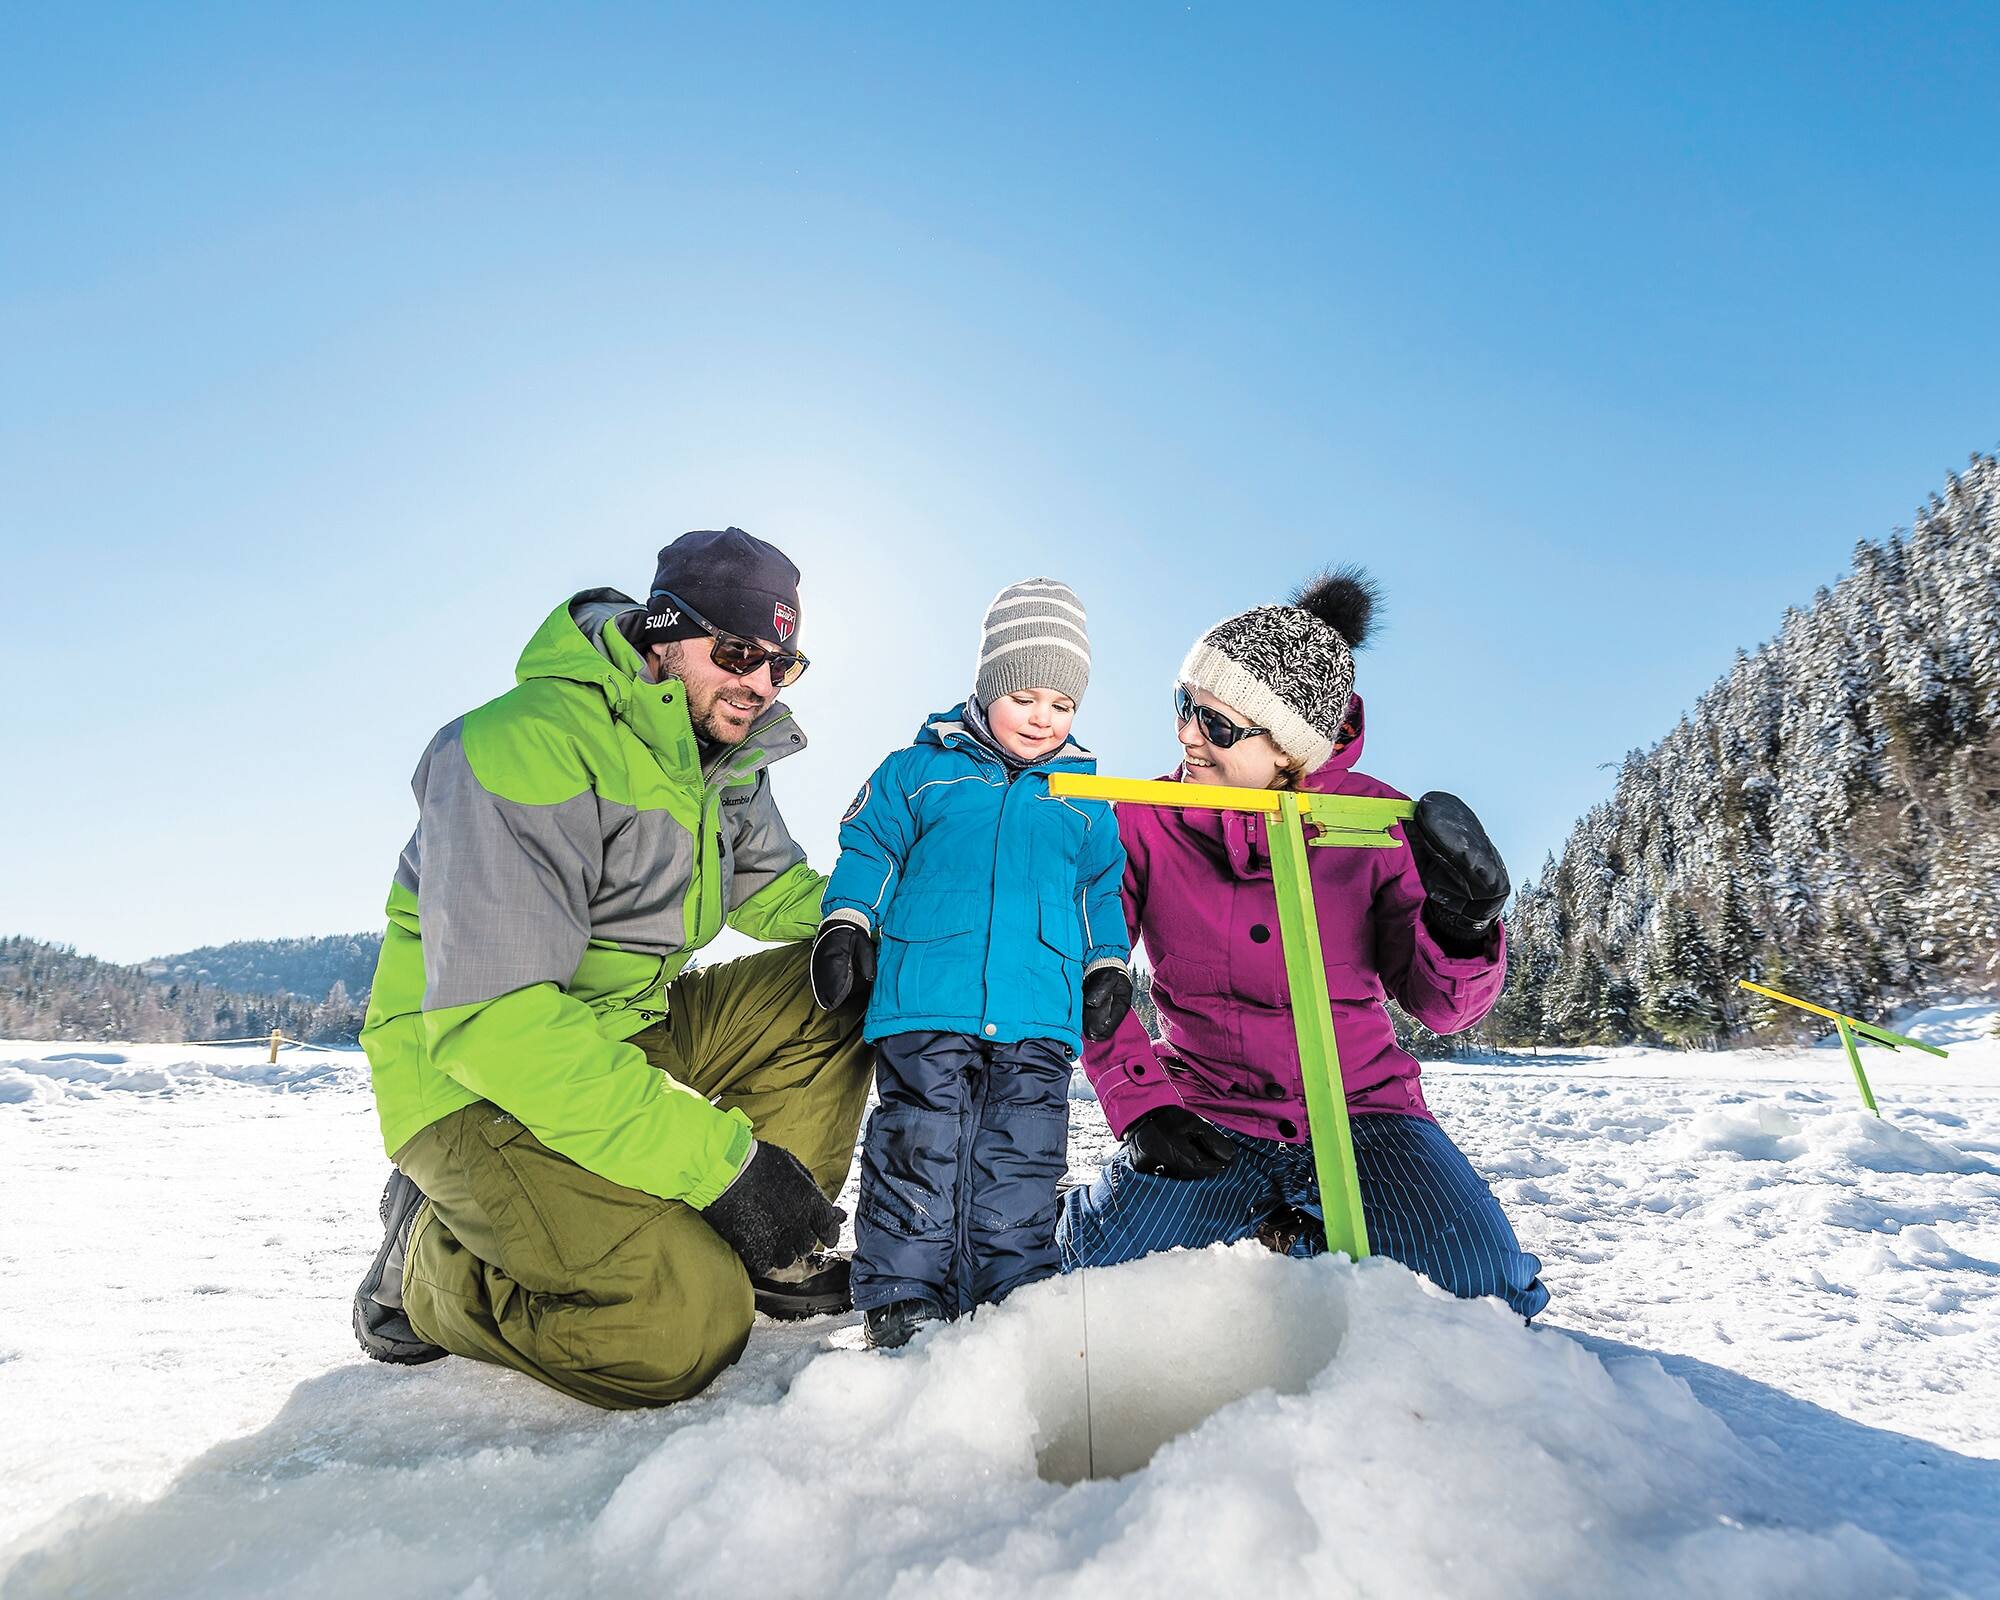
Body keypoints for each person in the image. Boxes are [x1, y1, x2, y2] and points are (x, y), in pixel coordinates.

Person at [351, 527, 874, 1409]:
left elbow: (782, 893)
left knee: (842, 977)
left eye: (782, 665)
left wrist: (914, 918)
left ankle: (768, 1248)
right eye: (739, 653)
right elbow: (498, 1027)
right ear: (664, 631)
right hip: (472, 1082)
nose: (758, 685)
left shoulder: (717, 754)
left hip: (627, 1034)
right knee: (678, 1327)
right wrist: (726, 1165)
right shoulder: (524, 743)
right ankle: (430, 1263)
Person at [1057, 569, 1548, 1319]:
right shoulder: (1142, 822)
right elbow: (1092, 977)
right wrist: (1143, 1106)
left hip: (1365, 1110)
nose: (1188, 733)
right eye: (1184, 707)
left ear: (1290, 749)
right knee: (1084, 1277)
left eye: (1218, 725)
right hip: (1204, 1105)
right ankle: (1195, 1217)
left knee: (1485, 1290)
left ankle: (1299, 1240)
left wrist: (1463, 927)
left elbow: (1442, 1009)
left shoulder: (1377, 823)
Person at [809, 579, 1134, 1348]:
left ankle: (1011, 1288)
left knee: (1022, 1152)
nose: (1043, 718)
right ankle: (903, 1290)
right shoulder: (918, 772)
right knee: (920, 1141)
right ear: (987, 687)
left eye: (1062, 705)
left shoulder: (1086, 801)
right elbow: (870, 850)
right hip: (930, 994)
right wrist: (847, 925)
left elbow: (1101, 889)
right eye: (1025, 696)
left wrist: (1109, 966)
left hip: (1035, 1007)